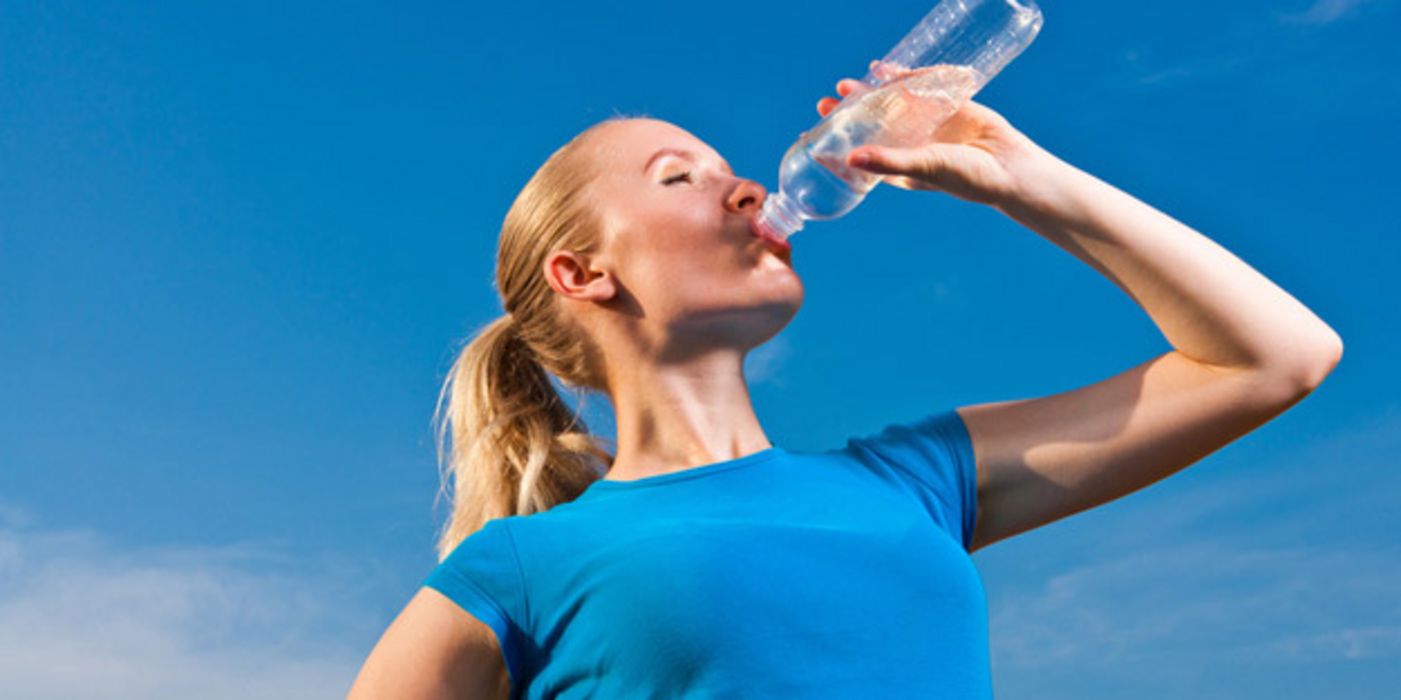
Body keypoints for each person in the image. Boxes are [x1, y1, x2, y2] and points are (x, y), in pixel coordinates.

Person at [348, 74, 1343, 699]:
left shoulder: (916, 479)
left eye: (730, 167)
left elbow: (1276, 357)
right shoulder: (521, 568)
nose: (743, 187)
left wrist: (1023, 177)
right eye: (677, 177)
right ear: (583, 274)